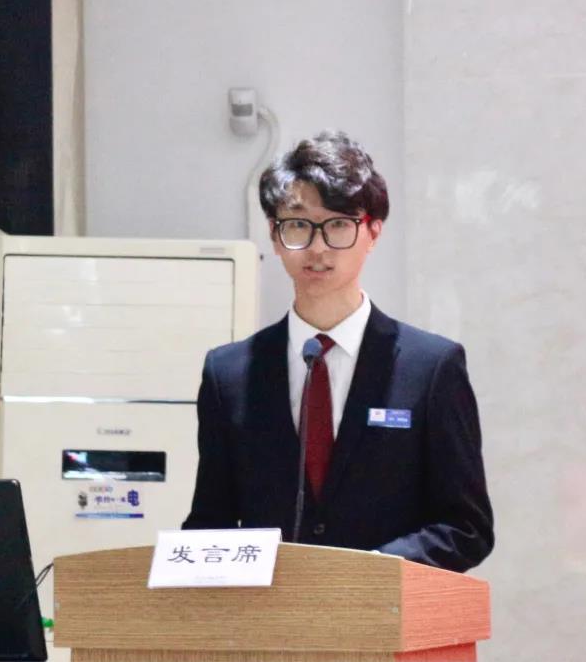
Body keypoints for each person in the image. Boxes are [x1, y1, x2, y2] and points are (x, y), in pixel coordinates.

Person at [182, 130, 493, 572]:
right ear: (274, 236)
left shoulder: (430, 368)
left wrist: (367, 573)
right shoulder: (228, 374)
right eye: (297, 225)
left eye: (339, 225)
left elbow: (466, 527)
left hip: (386, 610)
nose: (318, 248)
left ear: (373, 232)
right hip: (271, 613)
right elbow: (209, 523)